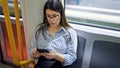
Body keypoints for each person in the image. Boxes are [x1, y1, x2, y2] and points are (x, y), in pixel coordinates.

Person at [29, 0, 77, 68]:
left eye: (55, 16)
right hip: (41, 64)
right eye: (48, 16)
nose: (51, 20)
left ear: (61, 15)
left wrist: (56, 55)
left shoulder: (69, 32)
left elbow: (72, 57)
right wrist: (35, 54)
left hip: (59, 65)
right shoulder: (39, 29)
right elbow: (31, 49)